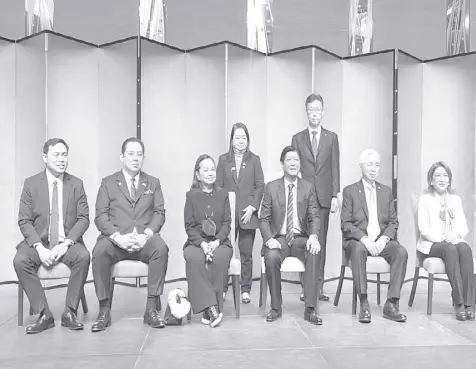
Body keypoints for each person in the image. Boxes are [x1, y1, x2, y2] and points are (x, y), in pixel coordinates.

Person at [91, 137, 169, 332]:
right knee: (100, 251)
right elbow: (101, 216)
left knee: (161, 248)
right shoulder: (108, 183)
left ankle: (151, 309)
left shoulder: (153, 182)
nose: (136, 158)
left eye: (139, 154)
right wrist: (118, 237)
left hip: (144, 240)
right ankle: (104, 311)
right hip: (117, 240)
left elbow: (159, 213)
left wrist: (146, 235)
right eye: (131, 154)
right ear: (121, 157)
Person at [13, 138, 90, 334]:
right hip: (39, 242)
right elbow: (24, 220)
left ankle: (70, 312)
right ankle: (44, 313)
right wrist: (39, 247)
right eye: (56, 155)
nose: (61, 159)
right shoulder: (31, 184)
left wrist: (66, 244)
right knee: (20, 260)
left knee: (83, 256)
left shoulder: (76, 184)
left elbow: (83, 219)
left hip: (67, 243)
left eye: (64, 155)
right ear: (45, 158)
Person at [341, 149, 408, 324]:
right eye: (369, 164)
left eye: (376, 164)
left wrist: (384, 239)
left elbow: (393, 222)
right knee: (356, 249)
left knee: (401, 251)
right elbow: (346, 224)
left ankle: (391, 303)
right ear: (361, 166)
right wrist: (364, 239)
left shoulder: (386, 191)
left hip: (381, 241)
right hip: (359, 241)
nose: (373, 168)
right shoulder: (350, 191)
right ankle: (363, 301)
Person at [259, 146, 322, 325]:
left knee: (314, 251)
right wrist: (269, 239)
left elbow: (314, 215)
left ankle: (310, 309)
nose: (293, 163)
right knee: (270, 257)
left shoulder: (308, 187)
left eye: (296, 160)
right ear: (282, 163)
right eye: (289, 160)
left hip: (301, 237)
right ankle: (276, 307)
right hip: (279, 239)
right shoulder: (271, 188)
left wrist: (314, 237)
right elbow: (263, 218)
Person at [291, 93, 340, 302]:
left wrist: (336, 195)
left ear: (322, 111)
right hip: (304, 198)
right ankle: (305, 286)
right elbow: (293, 166)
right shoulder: (297, 138)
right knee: (304, 241)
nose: (314, 113)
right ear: (306, 112)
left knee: (321, 241)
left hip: (324, 197)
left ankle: (318, 287)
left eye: (318, 109)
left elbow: (334, 168)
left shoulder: (332, 137)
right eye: (311, 110)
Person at [417, 161, 474, 321]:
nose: (442, 179)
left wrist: (454, 235)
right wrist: (442, 238)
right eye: (437, 176)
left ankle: (469, 303)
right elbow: (423, 229)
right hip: (432, 244)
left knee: (465, 249)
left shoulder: (455, 200)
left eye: (445, 175)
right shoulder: (425, 200)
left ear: (449, 180)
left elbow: (463, 227)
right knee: (449, 249)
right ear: (431, 180)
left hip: (452, 241)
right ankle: (459, 302)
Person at [216, 123, 264, 304]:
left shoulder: (255, 160)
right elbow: (218, 186)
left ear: (248, 139)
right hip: (228, 215)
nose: (241, 141)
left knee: (246, 253)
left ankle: (245, 289)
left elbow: (260, 185)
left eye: (244, 137)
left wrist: (253, 207)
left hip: (247, 214)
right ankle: (223, 288)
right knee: (226, 252)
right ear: (231, 140)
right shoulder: (223, 160)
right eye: (237, 137)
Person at [184, 154, 233, 328]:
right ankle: (212, 308)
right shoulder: (191, 196)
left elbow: (227, 223)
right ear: (198, 175)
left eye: (213, 169)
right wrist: (203, 244)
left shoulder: (223, 194)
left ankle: (208, 309)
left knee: (219, 259)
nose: (210, 173)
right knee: (194, 259)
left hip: (220, 241)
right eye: (206, 170)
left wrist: (217, 242)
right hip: (197, 242)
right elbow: (189, 226)